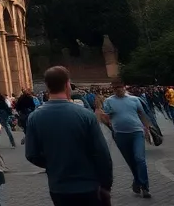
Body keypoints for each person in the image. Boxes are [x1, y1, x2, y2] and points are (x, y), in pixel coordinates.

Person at [24, 66, 112, 206]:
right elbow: (102, 153)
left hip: (59, 187)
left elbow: (31, 154)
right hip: (88, 185)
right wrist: (106, 184)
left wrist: (53, 164)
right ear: (67, 84)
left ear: (47, 86)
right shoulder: (85, 115)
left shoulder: (34, 117)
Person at [100, 81, 152, 198]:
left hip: (137, 132)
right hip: (120, 135)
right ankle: (137, 180)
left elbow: (141, 114)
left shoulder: (134, 99)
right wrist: (108, 122)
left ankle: (144, 186)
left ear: (124, 87)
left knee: (139, 159)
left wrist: (147, 128)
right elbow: (106, 117)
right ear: (113, 89)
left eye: (120, 87)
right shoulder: (109, 101)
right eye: (115, 88)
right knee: (131, 161)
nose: (118, 90)